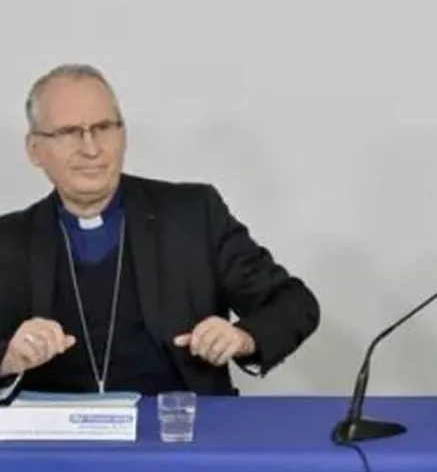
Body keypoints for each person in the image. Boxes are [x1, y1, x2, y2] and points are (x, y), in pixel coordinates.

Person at [0, 64, 319, 398]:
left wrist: (243, 337)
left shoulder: (194, 215)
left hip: (180, 421)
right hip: (50, 428)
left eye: (103, 127)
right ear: (34, 149)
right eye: (69, 132)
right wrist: (7, 359)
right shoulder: (8, 240)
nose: (91, 148)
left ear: (123, 136)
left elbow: (295, 303)